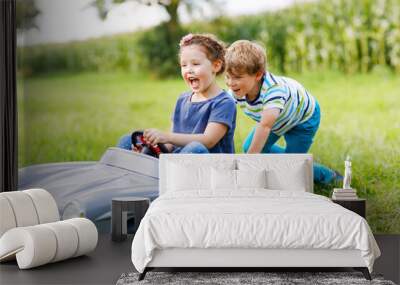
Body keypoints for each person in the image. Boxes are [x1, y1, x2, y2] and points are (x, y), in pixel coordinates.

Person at [224, 40, 341, 184]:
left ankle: (329, 176)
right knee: (251, 147)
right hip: (277, 119)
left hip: (302, 119)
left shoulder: (274, 90)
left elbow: (265, 126)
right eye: (227, 76)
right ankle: (284, 160)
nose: (230, 82)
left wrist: (247, 163)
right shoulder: (235, 91)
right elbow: (222, 111)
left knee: (291, 166)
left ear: (258, 75)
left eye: (237, 77)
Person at [117, 33, 236, 154]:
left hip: (208, 166)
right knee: (127, 140)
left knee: (196, 148)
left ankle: (159, 170)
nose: (188, 69)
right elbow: (171, 145)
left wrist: (167, 137)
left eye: (195, 64)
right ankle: (132, 168)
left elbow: (208, 140)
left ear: (216, 66)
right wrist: (151, 146)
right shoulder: (183, 99)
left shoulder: (224, 103)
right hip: (176, 160)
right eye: (184, 65)